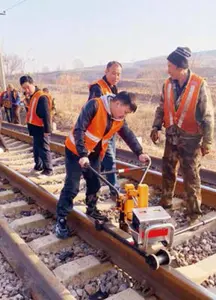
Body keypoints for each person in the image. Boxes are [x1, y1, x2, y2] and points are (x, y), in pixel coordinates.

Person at [55, 91, 150, 239]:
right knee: (72, 186)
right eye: (124, 112)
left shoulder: (118, 118)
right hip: (76, 151)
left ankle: (91, 209)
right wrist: (82, 154)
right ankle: (61, 219)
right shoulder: (94, 105)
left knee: (94, 183)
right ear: (117, 104)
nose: (124, 116)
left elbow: (127, 134)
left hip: (93, 153)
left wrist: (139, 152)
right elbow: (79, 129)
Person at [150, 47, 214, 221]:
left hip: (191, 139)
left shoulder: (199, 84)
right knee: (168, 170)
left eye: (170, 66)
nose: (167, 69)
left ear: (180, 68)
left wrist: (207, 142)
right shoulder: (167, 84)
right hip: (171, 136)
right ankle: (165, 203)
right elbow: (162, 107)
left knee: (191, 176)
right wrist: (156, 127)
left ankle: (194, 213)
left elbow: (207, 115)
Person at [88, 61, 122, 201]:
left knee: (108, 159)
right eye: (113, 73)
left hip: (110, 131)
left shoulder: (113, 88)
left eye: (119, 74)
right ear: (106, 71)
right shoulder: (98, 87)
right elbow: (93, 109)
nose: (116, 76)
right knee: (110, 159)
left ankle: (104, 181)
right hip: (101, 132)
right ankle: (115, 191)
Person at [19, 75, 53, 176]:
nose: (26, 90)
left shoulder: (41, 96)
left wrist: (47, 131)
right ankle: (38, 166)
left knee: (43, 149)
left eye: (27, 87)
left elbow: (46, 115)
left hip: (41, 128)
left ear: (32, 84)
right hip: (35, 128)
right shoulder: (33, 96)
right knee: (36, 149)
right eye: (24, 88)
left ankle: (48, 170)